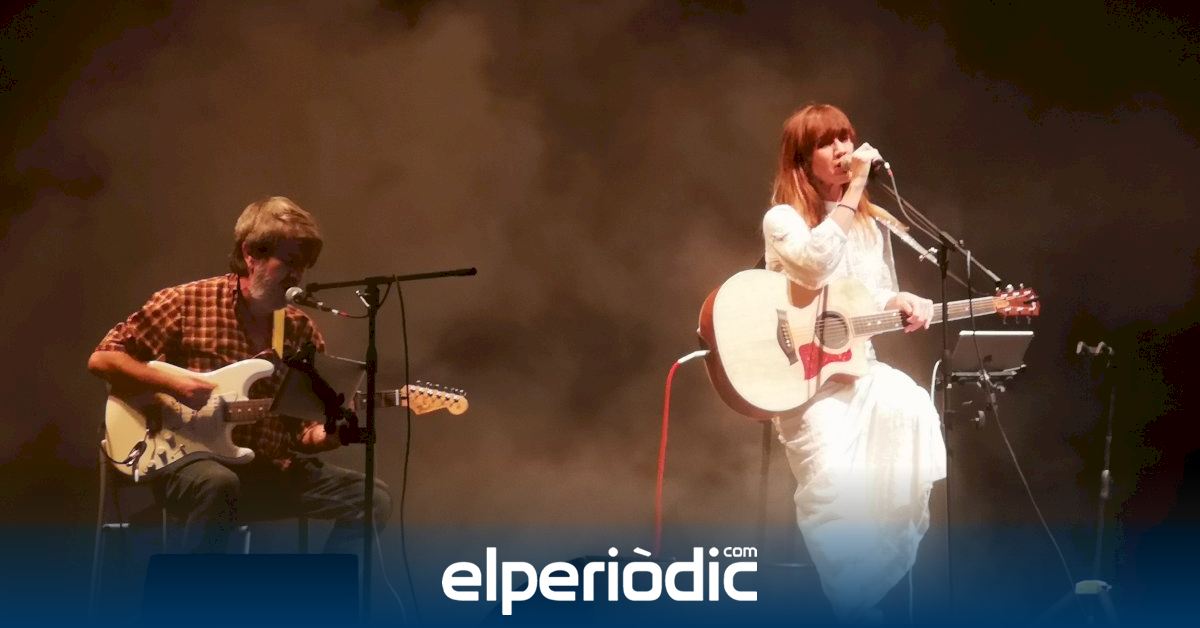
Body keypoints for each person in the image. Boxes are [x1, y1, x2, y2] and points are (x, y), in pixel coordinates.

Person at [88, 196, 391, 553]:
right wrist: (175, 384)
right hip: (185, 463)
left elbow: (302, 431)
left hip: (265, 471)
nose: (297, 275)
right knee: (218, 484)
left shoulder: (300, 330)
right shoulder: (186, 303)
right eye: (289, 261)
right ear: (251, 254)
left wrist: (330, 434)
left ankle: (322, 589)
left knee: (372, 498)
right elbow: (103, 359)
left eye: (304, 266)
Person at [763, 104, 947, 622]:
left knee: (910, 406)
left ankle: (874, 601)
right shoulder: (783, 219)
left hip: (858, 368)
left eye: (846, 137)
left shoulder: (871, 224)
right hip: (805, 381)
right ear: (803, 159)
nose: (844, 149)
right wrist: (852, 193)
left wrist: (900, 301)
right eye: (828, 142)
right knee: (835, 497)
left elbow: (874, 293)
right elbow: (815, 265)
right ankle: (853, 607)